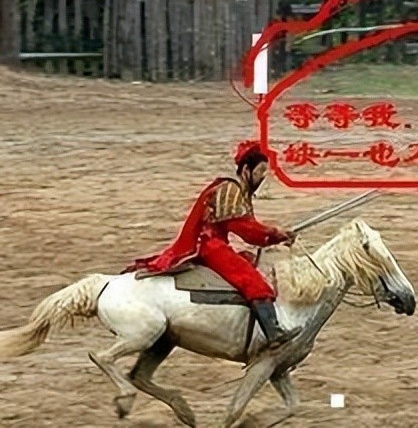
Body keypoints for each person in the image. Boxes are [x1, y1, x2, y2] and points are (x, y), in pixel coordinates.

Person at [125, 140, 301, 351]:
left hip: (214, 243)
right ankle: (273, 334)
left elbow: (250, 231)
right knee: (252, 281)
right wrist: (275, 233)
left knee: (251, 263)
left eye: (264, 172)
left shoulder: (235, 189)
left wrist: (277, 237)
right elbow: (246, 229)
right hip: (210, 246)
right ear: (246, 169)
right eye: (259, 171)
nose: (262, 177)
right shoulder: (230, 189)